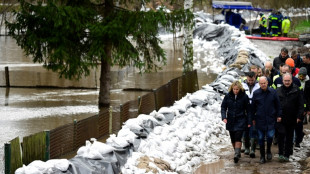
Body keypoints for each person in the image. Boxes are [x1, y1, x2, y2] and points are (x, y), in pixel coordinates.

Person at [252, 76, 281, 164]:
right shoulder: (256, 93)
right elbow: (253, 107)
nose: (263, 85)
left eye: (264, 83)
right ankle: (262, 156)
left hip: (271, 119)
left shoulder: (273, 92)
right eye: (261, 84)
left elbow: (278, 105)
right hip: (260, 119)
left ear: (267, 83)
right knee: (260, 138)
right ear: (259, 84)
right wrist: (252, 118)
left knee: (270, 136)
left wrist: (279, 115)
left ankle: (268, 150)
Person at [221, 81, 251, 163]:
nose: (235, 91)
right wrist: (224, 117)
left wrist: (249, 121)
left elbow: (248, 110)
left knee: (238, 136)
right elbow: (223, 107)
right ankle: (236, 151)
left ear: (240, 89)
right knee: (233, 138)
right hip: (230, 119)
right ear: (232, 89)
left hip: (241, 119)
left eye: (237, 89)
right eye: (234, 89)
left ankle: (237, 154)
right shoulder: (228, 96)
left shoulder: (244, 97)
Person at [276, 73, 303, 162]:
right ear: (282, 81)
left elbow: (300, 105)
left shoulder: (296, 90)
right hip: (281, 117)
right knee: (281, 135)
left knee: (289, 137)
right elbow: (275, 104)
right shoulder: (278, 90)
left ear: (291, 80)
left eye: (288, 81)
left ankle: (287, 154)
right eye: (285, 81)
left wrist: (299, 116)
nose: (287, 82)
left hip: (292, 118)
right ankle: (280, 153)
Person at [241, 72, 260, 158]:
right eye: (249, 80)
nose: (251, 82)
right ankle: (246, 147)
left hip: (255, 109)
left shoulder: (258, 85)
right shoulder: (242, 85)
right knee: (245, 129)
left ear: (255, 77)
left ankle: (252, 149)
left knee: (254, 129)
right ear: (246, 78)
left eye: (252, 80)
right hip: (244, 109)